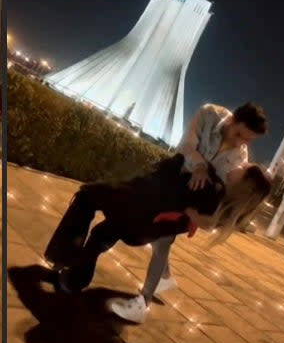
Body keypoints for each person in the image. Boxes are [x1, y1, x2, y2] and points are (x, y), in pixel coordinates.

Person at [108, 102, 268, 322]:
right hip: (177, 188)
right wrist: (200, 169)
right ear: (233, 121)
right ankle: (164, 277)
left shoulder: (240, 159)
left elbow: (220, 206)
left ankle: (142, 304)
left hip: (187, 204)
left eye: (248, 140)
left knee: (162, 240)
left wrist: (198, 216)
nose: (241, 144)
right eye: (240, 134)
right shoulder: (209, 115)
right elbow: (186, 146)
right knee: (161, 241)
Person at [48, 155, 271, 300]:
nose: (238, 165)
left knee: (87, 195)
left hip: (139, 213)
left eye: (243, 168)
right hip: (144, 228)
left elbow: (173, 179)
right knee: (100, 234)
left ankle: (65, 259)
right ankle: (73, 279)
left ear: (244, 182)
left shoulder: (210, 190)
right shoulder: (219, 208)